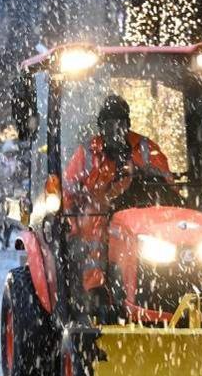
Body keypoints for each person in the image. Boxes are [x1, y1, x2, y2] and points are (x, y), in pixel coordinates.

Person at [63, 95, 170, 293]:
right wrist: (71, 223)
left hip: (139, 214)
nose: (114, 130)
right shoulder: (87, 153)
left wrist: (144, 175)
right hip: (98, 215)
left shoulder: (144, 149)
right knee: (93, 233)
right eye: (109, 124)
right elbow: (68, 191)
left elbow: (167, 185)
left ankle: (164, 288)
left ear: (127, 124)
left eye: (120, 123)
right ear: (101, 127)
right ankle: (95, 292)